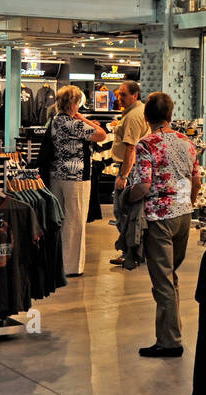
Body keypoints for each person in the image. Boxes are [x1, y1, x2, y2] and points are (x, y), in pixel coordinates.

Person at [130, 91, 202, 358]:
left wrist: (126, 197)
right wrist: (189, 204)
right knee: (171, 277)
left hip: (159, 218)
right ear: (171, 115)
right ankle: (172, 331)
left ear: (147, 117)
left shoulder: (146, 144)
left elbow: (143, 185)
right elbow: (195, 180)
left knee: (162, 281)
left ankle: (169, 342)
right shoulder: (187, 142)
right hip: (184, 216)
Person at [46, 85, 107, 277]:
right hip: (76, 176)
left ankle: (58, 263)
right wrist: (81, 117)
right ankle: (72, 266)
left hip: (57, 174)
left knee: (61, 219)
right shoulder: (73, 123)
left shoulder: (56, 120)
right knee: (75, 221)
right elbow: (101, 134)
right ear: (74, 103)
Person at [109, 81, 150, 267]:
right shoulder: (138, 111)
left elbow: (130, 149)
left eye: (124, 94)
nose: (120, 98)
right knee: (132, 212)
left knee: (123, 211)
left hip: (130, 169)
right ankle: (134, 251)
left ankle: (129, 253)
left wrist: (123, 176)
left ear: (135, 95)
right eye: (119, 94)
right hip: (135, 168)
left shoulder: (133, 116)